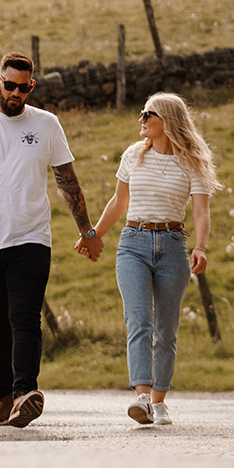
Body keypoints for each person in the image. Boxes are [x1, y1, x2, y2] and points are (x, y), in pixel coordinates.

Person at [0, 51, 105, 428]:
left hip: (30, 239)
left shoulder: (46, 124)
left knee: (24, 317)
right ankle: (4, 398)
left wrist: (87, 230)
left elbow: (67, 181)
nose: (16, 93)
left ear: (32, 86)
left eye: (23, 87)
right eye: (9, 85)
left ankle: (26, 392)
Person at [81, 92, 215, 427]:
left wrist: (200, 247)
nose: (141, 120)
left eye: (147, 114)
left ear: (166, 120)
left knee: (166, 330)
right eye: (142, 114)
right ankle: (141, 397)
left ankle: (159, 400)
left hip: (172, 245)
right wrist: (94, 235)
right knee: (138, 321)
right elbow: (118, 201)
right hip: (133, 243)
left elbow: (201, 210)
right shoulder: (133, 155)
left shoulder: (192, 162)